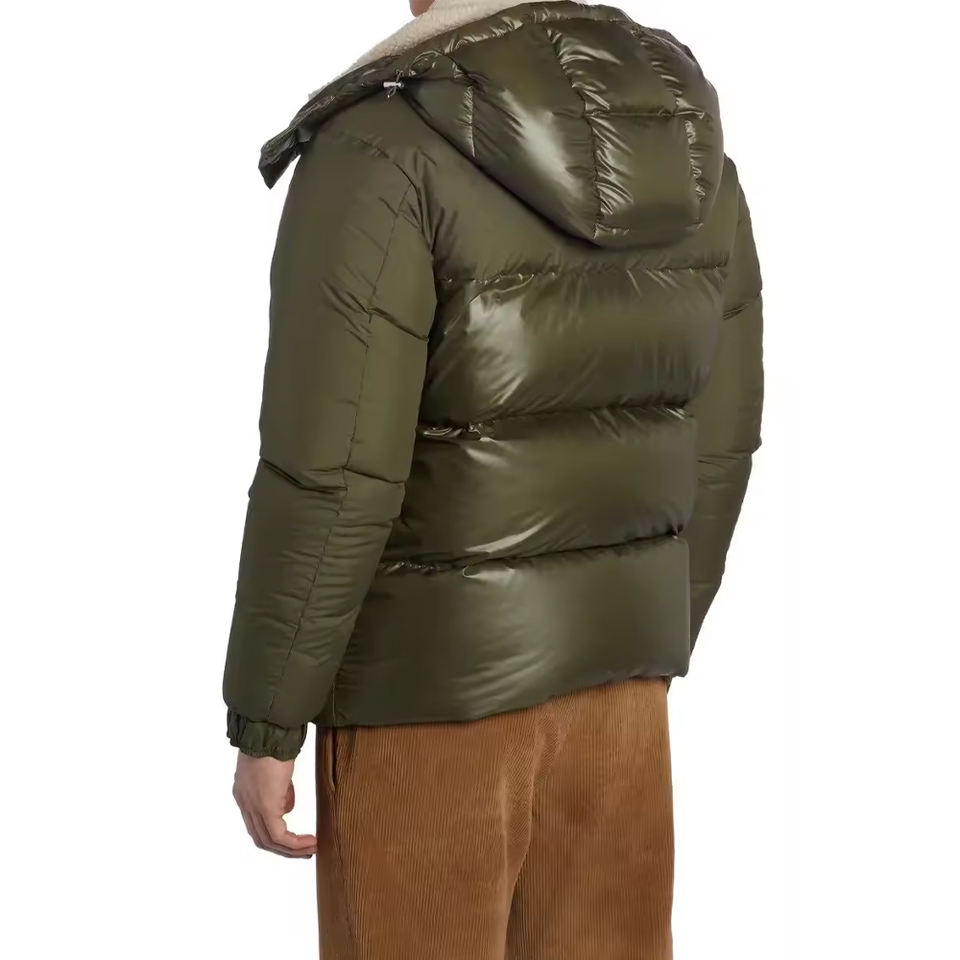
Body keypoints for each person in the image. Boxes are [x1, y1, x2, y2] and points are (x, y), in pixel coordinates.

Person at [223, 0, 763, 956]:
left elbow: (335, 468)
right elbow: (720, 435)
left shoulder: (380, 147)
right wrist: (648, 629)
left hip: (425, 698)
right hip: (621, 696)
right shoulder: (683, 143)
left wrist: (269, 718)